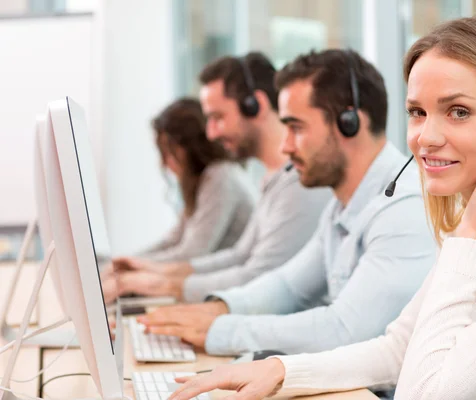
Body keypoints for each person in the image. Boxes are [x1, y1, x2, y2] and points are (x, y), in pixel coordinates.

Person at [166, 17, 476, 400]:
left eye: (458, 111)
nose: (426, 137)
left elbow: (424, 393)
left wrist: (474, 233)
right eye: (417, 111)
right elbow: (398, 348)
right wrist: (281, 371)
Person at [137, 49, 435, 359]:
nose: (285, 145)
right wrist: (218, 308)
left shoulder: (403, 209)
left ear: (349, 123)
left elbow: (343, 330)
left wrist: (222, 329)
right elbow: (287, 286)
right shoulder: (341, 207)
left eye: (296, 128)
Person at [114, 52, 331, 301]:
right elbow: (239, 256)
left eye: (218, 118)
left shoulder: (299, 184)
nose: (211, 133)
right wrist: (152, 271)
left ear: (255, 106)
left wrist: (159, 284)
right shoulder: (275, 179)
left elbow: (257, 276)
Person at [137, 98, 257, 263]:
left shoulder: (220, 177)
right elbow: (172, 241)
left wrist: (131, 268)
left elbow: (192, 254)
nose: (164, 163)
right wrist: (121, 264)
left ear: (190, 147)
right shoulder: (204, 182)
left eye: (168, 152)